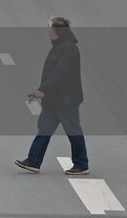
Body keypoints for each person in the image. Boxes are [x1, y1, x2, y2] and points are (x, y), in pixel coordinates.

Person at [16, 17, 88, 175]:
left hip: (66, 100)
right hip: (54, 100)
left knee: (73, 130)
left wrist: (43, 89)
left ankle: (82, 164)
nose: (48, 34)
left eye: (50, 32)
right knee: (44, 128)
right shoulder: (59, 46)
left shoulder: (68, 49)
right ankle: (34, 161)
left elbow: (59, 73)